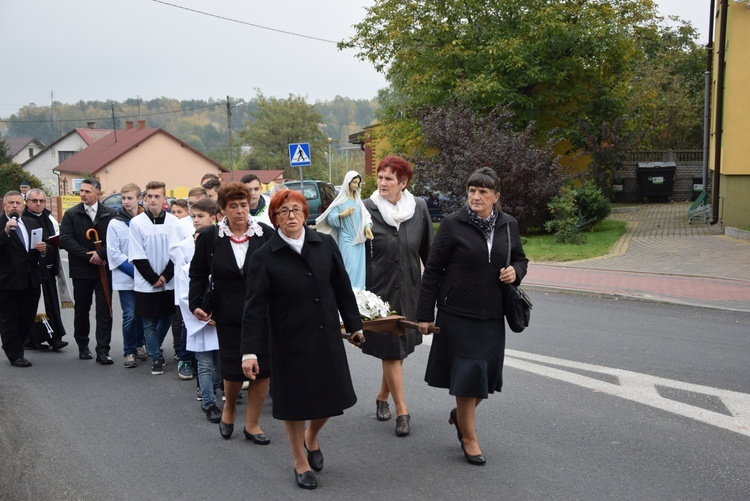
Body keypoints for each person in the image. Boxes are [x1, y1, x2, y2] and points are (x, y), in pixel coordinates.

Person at [241, 189, 365, 490]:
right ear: (275, 218)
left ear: (305, 214)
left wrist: (354, 325)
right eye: (284, 212)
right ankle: (299, 460)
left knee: (330, 401)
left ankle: (312, 437)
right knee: (295, 405)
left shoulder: (324, 244)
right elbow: (254, 309)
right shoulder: (263, 257)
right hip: (289, 343)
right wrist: (249, 352)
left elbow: (342, 288)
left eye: (297, 209)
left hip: (325, 337)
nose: (292, 216)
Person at [416, 167, 528, 466]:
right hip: (457, 313)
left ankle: (460, 417)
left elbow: (520, 258)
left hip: (492, 313)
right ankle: (469, 437)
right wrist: (425, 314)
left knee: (484, 377)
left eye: (482, 192)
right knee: (468, 377)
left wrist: (514, 271)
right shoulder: (453, 224)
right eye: (472, 191)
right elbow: (434, 271)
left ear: (496, 196)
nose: (476, 197)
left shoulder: (508, 225)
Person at [190, 182, 273, 442]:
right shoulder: (210, 237)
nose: (240, 211)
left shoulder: (266, 234)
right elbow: (198, 274)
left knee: (263, 369)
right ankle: (228, 409)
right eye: (233, 206)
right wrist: (196, 304)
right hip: (227, 314)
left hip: (263, 313)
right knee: (233, 368)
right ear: (223, 210)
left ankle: (252, 424)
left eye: (244, 205)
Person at [361, 155, 433, 437]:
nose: (382, 183)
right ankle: (402, 410)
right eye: (380, 177)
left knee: (399, 351)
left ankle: (382, 396)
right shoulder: (366, 209)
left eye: (389, 178)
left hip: (410, 291)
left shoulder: (419, 208)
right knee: (392, 349)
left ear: (403, 183)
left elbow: (430, 254)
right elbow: (353, 252)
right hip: (379, 294)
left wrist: (434, 293)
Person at [60, 178, 116, 364]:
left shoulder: (110, 214)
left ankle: (103, 350)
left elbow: (117, 241)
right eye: (81, 191)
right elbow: (66, 239)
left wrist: (101, 253)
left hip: (103, 270)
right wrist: (87, 255)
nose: (83, 194)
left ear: (97, 194)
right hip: (81, 270)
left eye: (87, 191)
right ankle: (83, 346)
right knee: (82, 310)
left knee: (104, 310)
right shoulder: (71, 214)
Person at [129, 181, 180, 375]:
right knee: (149, 321)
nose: (153, 200)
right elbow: (137, 254)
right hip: (146, 282)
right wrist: (153, 279)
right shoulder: (137, 223)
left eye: (157, 196)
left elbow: (177, 252)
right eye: (149, 196)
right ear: (144, 198)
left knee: (167, 317)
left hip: (169, 280)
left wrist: (165, 277)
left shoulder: (174, 223)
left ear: (164, 199)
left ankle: (154, 347)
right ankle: (156, 358)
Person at [177, 202, 222, 422]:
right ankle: (209, 402)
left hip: (221, 321)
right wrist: (204, 316)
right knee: (204, 364)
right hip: (201, 321)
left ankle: (214, 389)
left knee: (219, 365)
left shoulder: (221, 265)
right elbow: (184, 296)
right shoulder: (188, 270)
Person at [0, 191, 47, 367]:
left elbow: (38, 249)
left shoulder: (31, 222)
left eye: (18, 203)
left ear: (23, 205)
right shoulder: (1, 224)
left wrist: (43, 249)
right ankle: (15, 354)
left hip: (30, 279)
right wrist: (5, 232)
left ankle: (13, 343)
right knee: (8, 319)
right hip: (7, 281)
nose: (14, 206)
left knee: (27, 317)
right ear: (4, 206)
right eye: (10, 203)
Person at [22, 188, 70, 352]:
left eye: (41, 201)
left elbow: (54, 239)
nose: (38, 204)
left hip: (49, 269)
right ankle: (36, 339)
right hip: (32, 270)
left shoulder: (48, 218)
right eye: (34, 201)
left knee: (51, 304)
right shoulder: (24, 219)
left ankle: (55, 337)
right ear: (27, 203)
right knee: (37, 306)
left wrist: (54, 244)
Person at [106, 183, 147, 368]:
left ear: (139, 199)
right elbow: (114, 253)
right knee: (129, 315)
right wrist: (136, 271)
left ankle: (140, 344)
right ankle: (129, 351)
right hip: (127, 277)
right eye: (123, 198)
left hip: (146, 277)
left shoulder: (146, 220)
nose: (126, 201)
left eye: (130, 198)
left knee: (142, 315)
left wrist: (146, 272)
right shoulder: (115, 223)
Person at [315, 170, 373, 290]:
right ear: (347, 183)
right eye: (354, 183)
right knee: (349, 268)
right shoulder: (340, 201)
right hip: (347, 240)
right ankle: (348, 294)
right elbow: (330, 218)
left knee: (359, 270)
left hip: (359, 241)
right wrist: (342, 214)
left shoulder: (358, 202)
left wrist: (367, 227)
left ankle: (360, 297)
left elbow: (366, 216)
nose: (356, 186)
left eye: (358, 183)